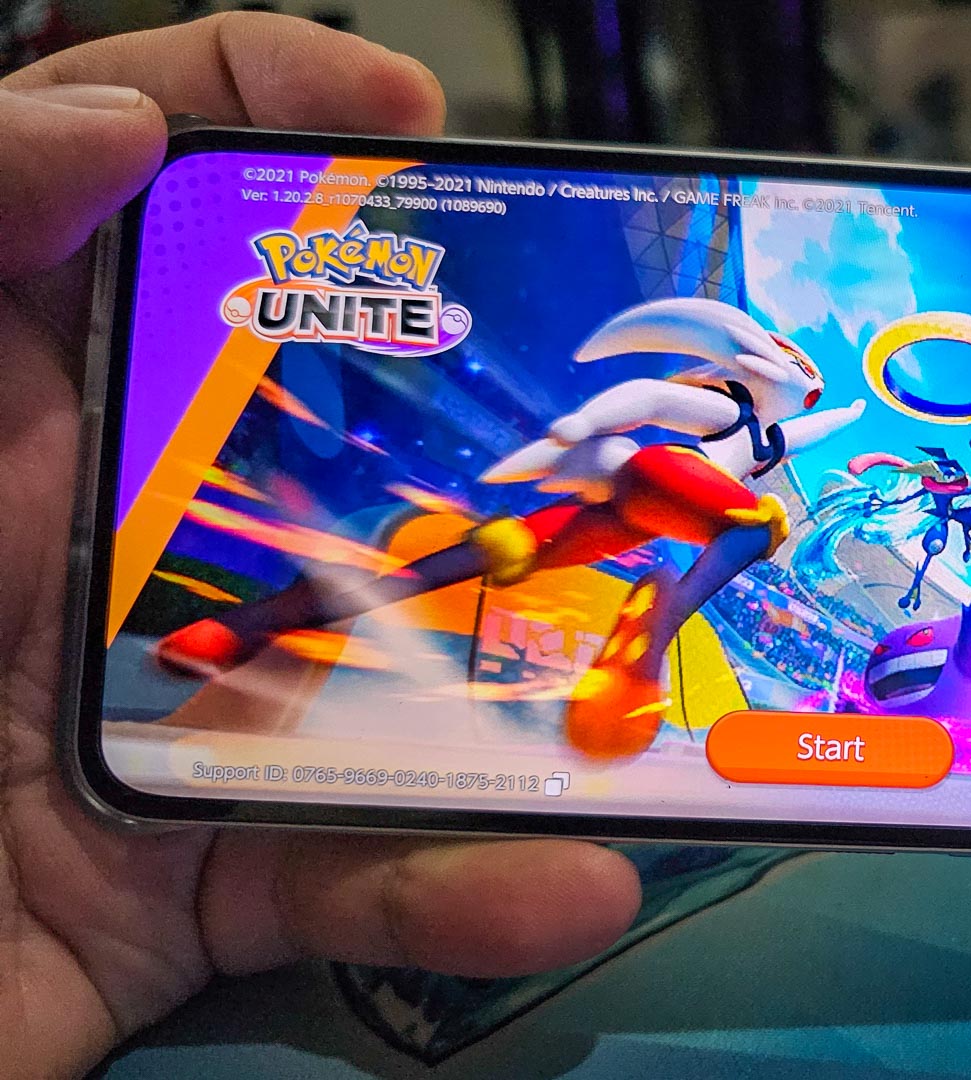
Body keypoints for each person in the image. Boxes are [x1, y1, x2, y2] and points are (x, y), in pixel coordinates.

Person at [0, 14, 644, 1076]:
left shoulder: (710, 469)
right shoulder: (667, 442)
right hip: (513, 543)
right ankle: (246, 625)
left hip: (532, 557)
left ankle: (252, 625)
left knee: (392, 583)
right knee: (387, 575)